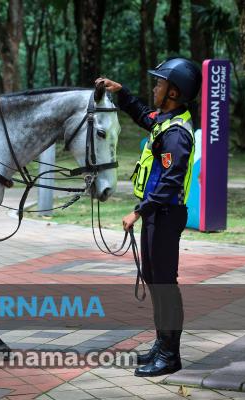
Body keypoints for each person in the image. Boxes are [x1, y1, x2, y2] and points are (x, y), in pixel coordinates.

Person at [96, 57, 202, 377]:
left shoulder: (177, 134)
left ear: (173, 92)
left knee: (164, 284)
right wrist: (121, 92)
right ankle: (161, 344)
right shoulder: (165, 121)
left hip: (165, 215)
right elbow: (144, 114)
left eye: (159, 84)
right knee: (155, 280)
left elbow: (171, 181)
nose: (154, 88)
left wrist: (139, 211)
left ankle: (170, 355)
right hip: (157, 214)